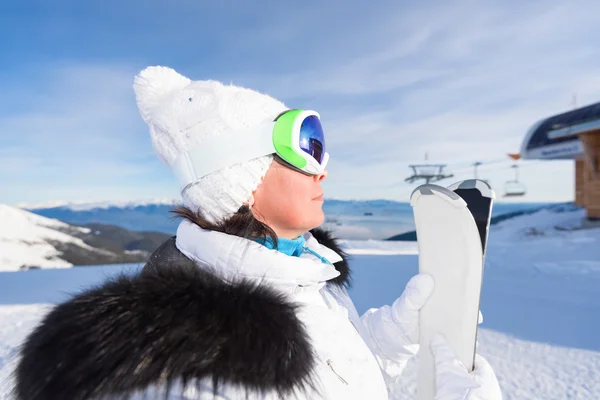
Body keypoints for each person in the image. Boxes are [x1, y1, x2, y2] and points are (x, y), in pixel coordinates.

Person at [14, 66, 502, 400]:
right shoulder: (206, 357)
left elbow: (334, 374)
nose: (323, 171)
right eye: (306, 152)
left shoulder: (302, 269)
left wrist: (397, 332)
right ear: (240, 183)